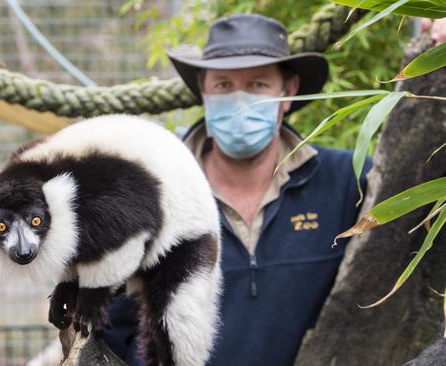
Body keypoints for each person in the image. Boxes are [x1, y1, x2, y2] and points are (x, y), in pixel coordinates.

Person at [101, 13, 371, 366]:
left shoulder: (348, 180)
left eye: (258, 85)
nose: (240, 101)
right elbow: (112, 328)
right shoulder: (155, 194)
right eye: (224, 86)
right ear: (204, 91)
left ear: (287, 92)